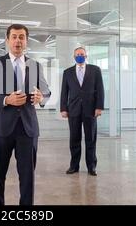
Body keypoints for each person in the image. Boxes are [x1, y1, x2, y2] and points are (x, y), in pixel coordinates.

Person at [0, 24, 51, 205]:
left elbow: (46, 92)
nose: (18, 40)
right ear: (7, 40)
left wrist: (41, 98)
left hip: (27, 129)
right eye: (14, 37)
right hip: (1, 128)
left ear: (26, 41)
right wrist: (6, 100)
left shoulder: (35, 66)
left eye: (21, 37)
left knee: (28, 178)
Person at [60, 46, 104, 176]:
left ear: (86, 56)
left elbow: (100, 90)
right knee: (74, 139)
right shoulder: (67, 72)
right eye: (78, 54)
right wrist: (63, 108)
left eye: (82, 54)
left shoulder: (95, 70)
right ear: (74, 57)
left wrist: (99, 107)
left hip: (90, 110)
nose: (80, 56)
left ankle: (91, 167)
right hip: (73, 110)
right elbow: (64, 92)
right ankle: (74, 166)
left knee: (90, 139)